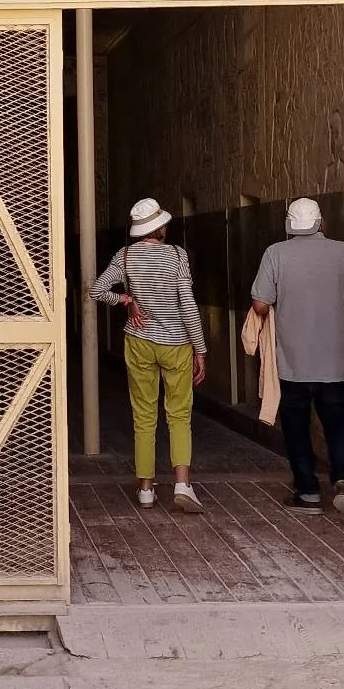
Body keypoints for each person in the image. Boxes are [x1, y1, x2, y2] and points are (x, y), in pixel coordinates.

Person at [251, 196, 344, 523]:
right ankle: (343, 483)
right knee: (340, 424)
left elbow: (260, 303)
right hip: (336, 362)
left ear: (289, 225)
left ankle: (308, 492)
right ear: (321, 222)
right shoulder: (343, 251)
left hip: (293, 363)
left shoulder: (275, 253)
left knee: (297, 426)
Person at [90, 197, 207, 513]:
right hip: (176, 344)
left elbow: (97, 290)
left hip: (139, 341)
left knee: (143, 415)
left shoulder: (125, 257)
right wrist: (201, 349)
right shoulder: (176, 256)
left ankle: (145, 488)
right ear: (161, 227)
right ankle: (182, 483)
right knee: (179, 413)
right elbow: (188, 306)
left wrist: (126, 300)